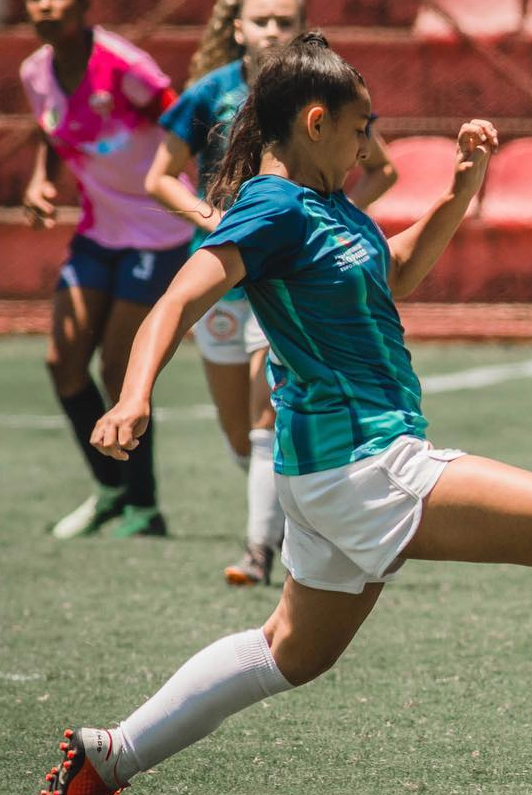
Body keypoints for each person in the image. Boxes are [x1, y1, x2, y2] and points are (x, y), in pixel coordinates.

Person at [39, 33, 532, 795]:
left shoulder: (326, 208)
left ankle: (109, 757)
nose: (369, 142)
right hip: (363, 464)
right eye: (362, 125)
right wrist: (134, 395)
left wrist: (461, 189)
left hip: (327, 470)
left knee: (288, 651)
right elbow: (181, 297)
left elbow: (396, 270)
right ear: (316, 123)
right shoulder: (271, 207)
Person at [145, 0, 397, 586]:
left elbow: (382, 168)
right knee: (240, 434)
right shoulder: (211, 94)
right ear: (236, 29)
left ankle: (258, 550)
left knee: (267, 418)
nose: (273, 31)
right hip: (223, 281)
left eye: (285, 22)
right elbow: (158, 175)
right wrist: (212, 219)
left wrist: (329, 231)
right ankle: (289, 518)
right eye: (262, 21)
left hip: (286, 280)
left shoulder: (326, 99)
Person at [22, 0, 193, 540]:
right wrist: (40, 181)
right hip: (98, 232)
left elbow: (183, 122)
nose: (46, 5)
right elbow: (52, 134)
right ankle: (111, 490)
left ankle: (145, 507)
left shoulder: (124, 67)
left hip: (158, 231)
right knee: (62, 361)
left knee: (119, 369)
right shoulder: (35, 72)